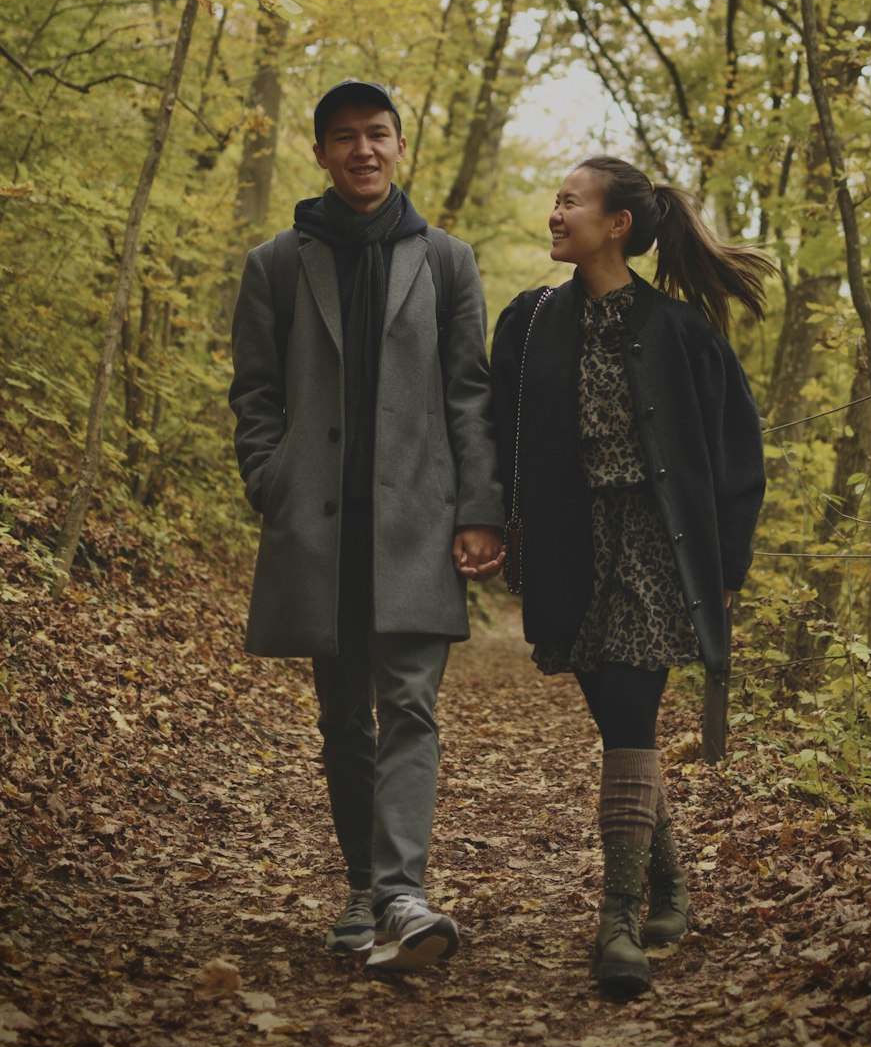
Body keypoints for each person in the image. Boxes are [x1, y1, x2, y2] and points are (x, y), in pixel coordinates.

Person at [230, 79, 504, 972]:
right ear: (319, 152)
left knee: (412, 708)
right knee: (344, 718)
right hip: (318, 529)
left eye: (377, 134)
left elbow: (471, 394)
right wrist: (269, 479)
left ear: (399, 145)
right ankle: (362, 887)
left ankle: (401, 894)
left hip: (417, 525)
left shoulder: (448, 261)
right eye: (344, 137)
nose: (363, 150)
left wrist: (478, 508)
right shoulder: (276, 260)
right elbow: (255, 393)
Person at [490, 155, 772, 998]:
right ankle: (673, 883)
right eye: (554, 199)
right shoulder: (529, 321)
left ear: (617, 223)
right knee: (621, 730)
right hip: (568, 545)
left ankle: (616, 918)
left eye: (569, 201)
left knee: (628, 715)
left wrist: (728, 562)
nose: (554, 212)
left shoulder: (683, 331)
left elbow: (736, 451)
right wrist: (485, 519)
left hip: (659, 544)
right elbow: (491, 425)